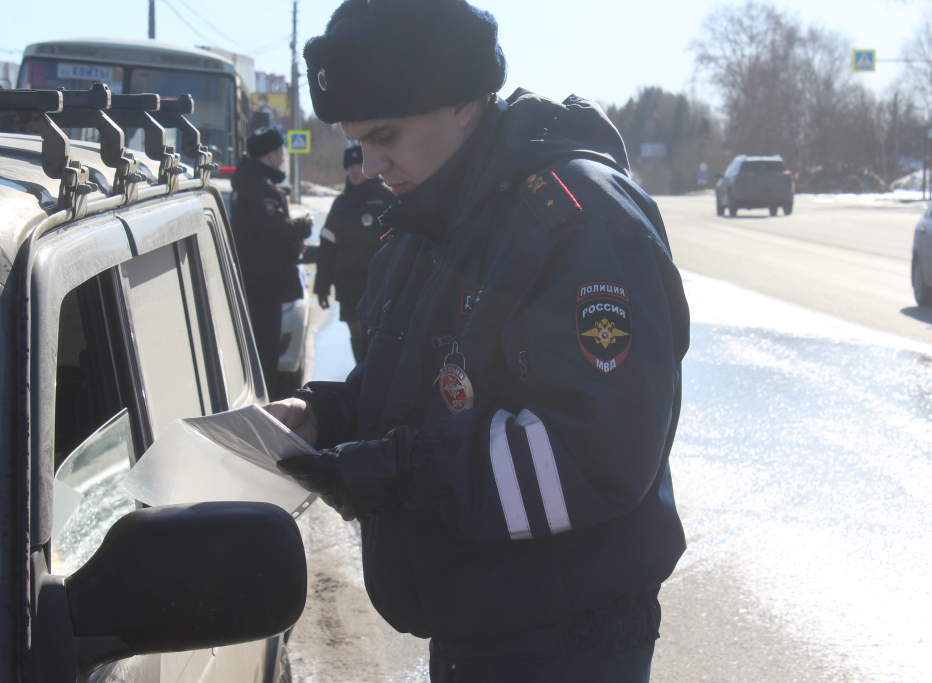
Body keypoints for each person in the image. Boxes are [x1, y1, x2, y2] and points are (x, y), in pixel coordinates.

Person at [267, 0, 690, 680]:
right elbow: (429, 385)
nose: (370, 162)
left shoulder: (574, 217)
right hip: (482, 630)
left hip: (566, 644)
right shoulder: (432, 214)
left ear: (464, 103)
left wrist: (402, 472)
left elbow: (597, 450)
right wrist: (327, 416)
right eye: (358, 140)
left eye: (386, 135)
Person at [230, 127, 312, 399]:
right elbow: (272, 230)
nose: (283, 157)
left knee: (260, 360)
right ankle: (265, 419)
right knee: (265, 363)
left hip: (258, 284)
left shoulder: (252, 183)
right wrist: (304, 226)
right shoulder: (260, 188)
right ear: (268, 155)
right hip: (265, 288)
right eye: (280, 151)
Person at [314, 143, 395, 362]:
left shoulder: (386, 198)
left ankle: (375, 380)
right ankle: (361, 379)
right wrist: (322, 286)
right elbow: (327, 247)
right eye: (350, 166)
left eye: (359, 164)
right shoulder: (341, 204)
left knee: (377, 335)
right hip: (347, 284)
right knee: (356, 335)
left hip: (379, 284)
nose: (354, 170)